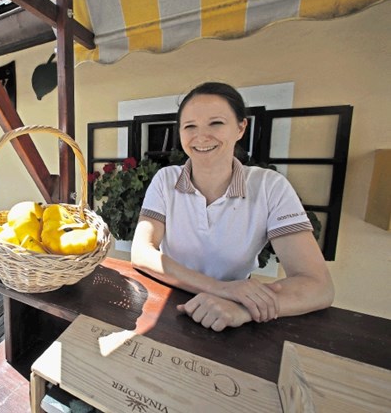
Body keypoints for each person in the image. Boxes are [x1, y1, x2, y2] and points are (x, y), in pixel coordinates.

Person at [131, 82, 334, 332]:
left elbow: (317, 285)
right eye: (189, 126)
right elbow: (142, 252)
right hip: (168, 306)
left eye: (216, 123)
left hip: (232, 320)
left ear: (240, 128)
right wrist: (223, 289)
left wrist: (243, 308)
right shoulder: (166, 180)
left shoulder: (269, 187)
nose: (201, 136)